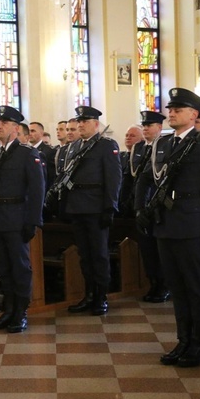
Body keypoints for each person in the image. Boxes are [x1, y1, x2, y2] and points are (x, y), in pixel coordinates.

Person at [135, 88, 200, 368]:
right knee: (176, 286)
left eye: (178, 109)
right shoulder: (163, 145)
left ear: (193, 115)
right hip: (166, 224)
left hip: (192, 223)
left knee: (195, 286)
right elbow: (149, 179)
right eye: (170, 109)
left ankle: (198, 344)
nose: (171, 113)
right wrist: (142, 209)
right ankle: (183, 340)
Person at [0, 106, 44, 333]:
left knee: (20, 267)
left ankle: (21, 312)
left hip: (16, 219)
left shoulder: (27, 153)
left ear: (15, 128)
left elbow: (37, 190)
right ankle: (8, 310)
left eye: (4, 124)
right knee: (3, 268)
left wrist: (32, 221)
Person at [64, 106, 122, 316]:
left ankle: (100, 297)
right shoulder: (75, 146)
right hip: (78, 207)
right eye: (79, 121)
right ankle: (88, 295)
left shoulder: (106, 146)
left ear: (96, 124)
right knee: (84, 255)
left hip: (97, 208)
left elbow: (114, 179)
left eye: (85, 122)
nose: (80, 125)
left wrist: (110, 207)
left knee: (98, 255)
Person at [134, 111, 170, 303]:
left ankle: (164, 285)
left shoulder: (166, 146)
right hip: (143, 207)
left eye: (150, 125)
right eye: (144, 125)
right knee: (147, 250)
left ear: (159, 127)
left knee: (159, 250)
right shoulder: (139, 148)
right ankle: (153, 283)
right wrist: (138, 207)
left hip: (159, 207)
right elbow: (139, 179)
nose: (145, 128)